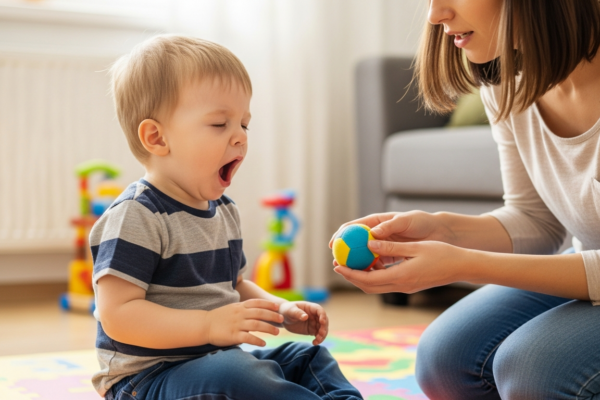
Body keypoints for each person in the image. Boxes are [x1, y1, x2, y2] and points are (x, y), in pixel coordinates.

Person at [331, 0, 600, 398]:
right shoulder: (508, 79)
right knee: (444, 358)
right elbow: (536, 220)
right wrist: (439, 230)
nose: (434, 14)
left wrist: (463, 264)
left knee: (532, 371)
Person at [91, 34, 362, 400]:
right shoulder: (137, 216)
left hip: (214, 360)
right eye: (220, 124)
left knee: (307, 357)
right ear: (157, 137)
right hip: (146, 381)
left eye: (244, 124)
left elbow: (234, 287)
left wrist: (281, 309)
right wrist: (207, 325)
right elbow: (118, 316)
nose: (239, 138)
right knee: (240, 374)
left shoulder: (224, 210)